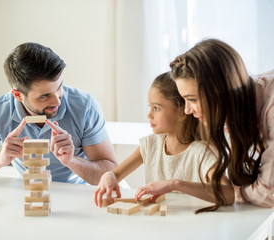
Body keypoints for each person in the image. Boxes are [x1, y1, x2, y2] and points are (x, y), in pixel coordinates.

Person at [0, 42, 117, 186]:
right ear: (17, 95)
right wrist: (0, 159)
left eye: (59, 88)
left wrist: (72, 161)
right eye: (44, 96)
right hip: (29, 195)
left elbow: (112, 172)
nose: (57, 101)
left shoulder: (84, 106)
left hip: (79, 192)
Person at [94, 72, 234, 211]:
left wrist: (175, 184)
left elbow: (228, 194)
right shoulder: (151, 145)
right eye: (150, 107)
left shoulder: (202, 152)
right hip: (158, 228)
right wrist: (109, 176)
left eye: (156, 108)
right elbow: (116, 174)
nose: (149, 114)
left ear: (182, 112)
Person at [170, 38, 274, 210]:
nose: (188, 110)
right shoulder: (244, 99)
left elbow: (268, 193)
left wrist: (231, 192)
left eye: (192, 99)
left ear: (220, 92)